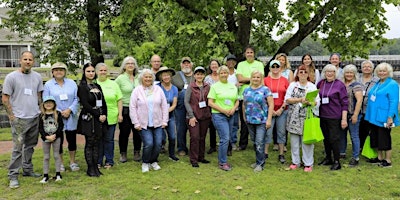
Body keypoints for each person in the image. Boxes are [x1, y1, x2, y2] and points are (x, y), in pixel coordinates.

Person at [2, 51, 43, 189]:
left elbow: (39, 96)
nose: (27, 61)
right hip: (19, 119)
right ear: (20, 60)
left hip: (34, 117)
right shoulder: (11, 77)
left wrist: (41, 111)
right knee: (17, 148)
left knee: (30, 146)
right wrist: (11, 116)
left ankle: (27, 170)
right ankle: (13, 175)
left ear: (33, 61)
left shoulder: (37, 77)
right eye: (25, 59)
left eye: (30, 59)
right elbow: (5, 98)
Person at [43, 62, 80, 172]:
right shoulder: (48, 85)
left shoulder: (72, 83)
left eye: (61, 69)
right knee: (58, 140)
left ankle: (72, 162)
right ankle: (61, 163)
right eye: (56, 70)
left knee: (72, 139)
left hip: (70, 115)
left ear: (65, 71)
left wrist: (69, 110)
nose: (59, 72)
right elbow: (47, 100)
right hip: (55, 117)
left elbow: (77, 98)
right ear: (52, 72)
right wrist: (59, 112)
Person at [130, 69, 169, 173]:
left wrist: (165, 121)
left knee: (158, 144)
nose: (148, 79)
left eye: (150, 77)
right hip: (143, 124)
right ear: (142, 78)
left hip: (158, 123)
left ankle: (153, 161)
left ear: (153, 78)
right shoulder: (137, 90)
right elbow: (132, 107)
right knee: (149, 143)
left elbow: (164, 106)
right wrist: (136, 123)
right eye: (146, 77)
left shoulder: (158, 90)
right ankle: (145, 162)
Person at [285, 65, 319, 172]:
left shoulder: (312, 86)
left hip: (307, 117)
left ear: (308, 74)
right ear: (297, 74)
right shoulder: (292, 85)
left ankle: (308, 163)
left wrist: (310, 102)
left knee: (307, 141)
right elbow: (287, 99)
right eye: (301, 72)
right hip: (294, 117)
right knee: (294, 141)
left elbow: (317, 101)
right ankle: (295, 162)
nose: (303, 74)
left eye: (305, 72)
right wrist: (300, 100)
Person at [365, 63, 399, 167]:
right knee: (375, 137)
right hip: (373, 116)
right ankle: (379, 157)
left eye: (384, 71)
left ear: (389, 72)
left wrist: (390, 117)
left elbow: (394, 101)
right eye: (380, 71)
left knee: (384, 137)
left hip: (384, 116)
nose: (382, 73)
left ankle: (387, 160)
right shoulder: (378, 82)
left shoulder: (392, 84)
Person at [77, 63, 108, 177]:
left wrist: (104, 114)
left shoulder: (97, 86)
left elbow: (103, 102)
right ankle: (90, 168)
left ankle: (96, 167)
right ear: (84, 73)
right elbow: (85, 104)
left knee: (97, 142)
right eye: (88, 71)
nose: (91, 73)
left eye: (92, 71)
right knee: (90, 143)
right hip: (89, 118)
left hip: (99, 118)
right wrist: (97, 114)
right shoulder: (82, 87)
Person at [208, 66, 239, 171]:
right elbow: (210, 102)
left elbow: (237, 100)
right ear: (218, 74)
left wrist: (234, 109)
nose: (224, 75)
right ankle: (222, 162)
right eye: (222, 73)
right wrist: (223, 110)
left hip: (230, 115)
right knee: (225, 138)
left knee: (228, 138)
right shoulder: (214, 87)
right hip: (219, 115)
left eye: (226, 73)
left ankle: (223, 159)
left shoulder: (233, 86)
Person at [317, 64, 348, 170]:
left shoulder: (340, 85)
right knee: (326, 138)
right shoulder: (321, 83)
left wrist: (344, 119)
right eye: (327, 71)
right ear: (324, 73)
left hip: (335, 116)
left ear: (336, 73)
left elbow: (344, 103)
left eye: (332, 71)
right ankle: (328, 158)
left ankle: (337, 161)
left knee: (334, 139)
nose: (330, 73)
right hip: (322, 115)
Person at [243, 70, 273, 172]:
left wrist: (269, 119)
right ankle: (257, 161)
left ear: (261, 79)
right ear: (251, 78)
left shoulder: (266, 90)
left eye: (258, 77)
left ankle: (260, 163)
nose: (256, 79)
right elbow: (244, 104)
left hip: (262, 120)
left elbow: (271, 105)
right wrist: (244, 117)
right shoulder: (246, 90)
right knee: (255, 142)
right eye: (254, 77)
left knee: (260, 142)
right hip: (250, 120)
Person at [236, 46, 264, 151]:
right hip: (244, 95)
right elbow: (239, 78)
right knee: (244, 121)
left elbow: (260, 80)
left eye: (251, 52)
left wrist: (246, 80)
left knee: (257, 120)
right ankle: (243, 144)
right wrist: (253, 79)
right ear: (245, 54)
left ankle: (257, 143)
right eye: (247, 52)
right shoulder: (241, 64)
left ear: (254, 53)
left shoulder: (259, 64)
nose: (249, 54)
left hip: (257, 96)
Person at [114, 56, 142, 162]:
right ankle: (123, 153)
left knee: (138, 132)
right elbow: (115, 93)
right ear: (124, 66)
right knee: (124, 132)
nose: (130, 65)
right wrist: (119, 113)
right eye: (128, 63)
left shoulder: (139, 77)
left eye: (132, 63)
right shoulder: (120, 78)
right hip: (125, 108)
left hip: (139, 108)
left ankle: (137, 152)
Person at [96, 63, 123, 169]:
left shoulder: (113, 84)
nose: (103, 72)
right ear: (97, 71)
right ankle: (98, 161)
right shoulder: (93, 84)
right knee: (98, 139)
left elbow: (119, 100)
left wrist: (120, 114)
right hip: (97, 117)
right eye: (101, 70)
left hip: (111, 116)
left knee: (109, 139)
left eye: (104, 70)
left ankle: (109, 161)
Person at [185, 66, 211, 167]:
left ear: (204, 75)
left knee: (202, 137)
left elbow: (209, 100)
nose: (199, 76)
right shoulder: (190, 87)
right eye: (197, 74)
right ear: (194, 75)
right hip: (193, 116)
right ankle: (193, 159)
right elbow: (186, 102)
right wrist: (191, 116)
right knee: (195, 137)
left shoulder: (207, 86)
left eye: (201, 74)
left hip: (204, 116)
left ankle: (201, 156)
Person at [264, 60, 289, 164]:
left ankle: (281, 153)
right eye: (273, 66)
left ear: (280, 68)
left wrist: (281, 109)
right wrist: (271, 109)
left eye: (277, 66)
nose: (275, 68)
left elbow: (288, 96)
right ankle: (265, 153)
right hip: (269, 110)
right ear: (270, 68)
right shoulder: (265, 80)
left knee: (281, 132)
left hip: (281, 111)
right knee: (267, 131)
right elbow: (262, 95)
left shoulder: (285, 80)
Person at [340, 64, 363, 166]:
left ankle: (355, 157)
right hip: (342, 113)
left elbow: (359, 101)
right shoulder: (341, 84)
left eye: (351, 73)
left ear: (354, 74)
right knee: (342, 134)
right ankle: (342, 152)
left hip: (353, 114)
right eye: (347, 72)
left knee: (354, 136)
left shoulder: (356, 85)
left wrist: (355, 114)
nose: (349, 74)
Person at [156, 66, 179, 161]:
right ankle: (155, 155)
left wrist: (165, 112)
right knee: (159, 138)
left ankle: (171, 154)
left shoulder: (174, 88)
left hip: (170, 115)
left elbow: (174, 104)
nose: (166, 77)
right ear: (161, 77)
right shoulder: (156, 87)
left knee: (172, 137)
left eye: (168, 75)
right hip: (157, 116)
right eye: (164, 75)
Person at [39, 96, 64, 183]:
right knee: (46, 156)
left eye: (51, 102)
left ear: (54, 104)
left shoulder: (58, 113)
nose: (48, 104)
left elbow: (61, 126)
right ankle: (45, 175)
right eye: (46, 102)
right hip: (46, 138)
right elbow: (40, 128)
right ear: (43, 104)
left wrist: (55, 135)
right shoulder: (42, 115)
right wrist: (46, 136)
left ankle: (58, 174)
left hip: (56, 138)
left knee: (56, 155)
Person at [172, 57, 194, 156]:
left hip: (194, 104)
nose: (186, 65)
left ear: (191, 64)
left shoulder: (197, 75)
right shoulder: (175, 76)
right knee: (181, 127)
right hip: (180, 106)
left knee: (194, 127)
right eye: (184, 63)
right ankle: (181, 148)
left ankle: (194, 148)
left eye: (188, 63)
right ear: (181, 65)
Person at [359, 60, 379, 151]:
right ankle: (361, 147)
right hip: (358, 109)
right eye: (364, 67)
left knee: (370, 129)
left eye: (369, 67)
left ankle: (371, 148)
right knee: (360, 130)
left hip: (370, 109)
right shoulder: (357, 79)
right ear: (361, 68)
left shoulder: (377, 80)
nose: (366, 68)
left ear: (372, 68)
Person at [204, 59, 220, 155]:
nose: (214, 66)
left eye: (215, 64)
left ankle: (227, 146)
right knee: (212, 126)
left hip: (221, 104)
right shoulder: (207, 78)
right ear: (210, 67)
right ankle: (212, 146)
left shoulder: (222, 76)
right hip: (210, 104)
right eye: (212, 64)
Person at [225, 54, 240, 152]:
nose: (231, 62)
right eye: (229, 60)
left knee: (234, 123)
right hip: (224, 100)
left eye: (233, 61)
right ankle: (226, 140)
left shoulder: (238, 73)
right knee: (225, 122)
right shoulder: (223, 72)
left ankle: (233, 141)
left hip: (235, 99)